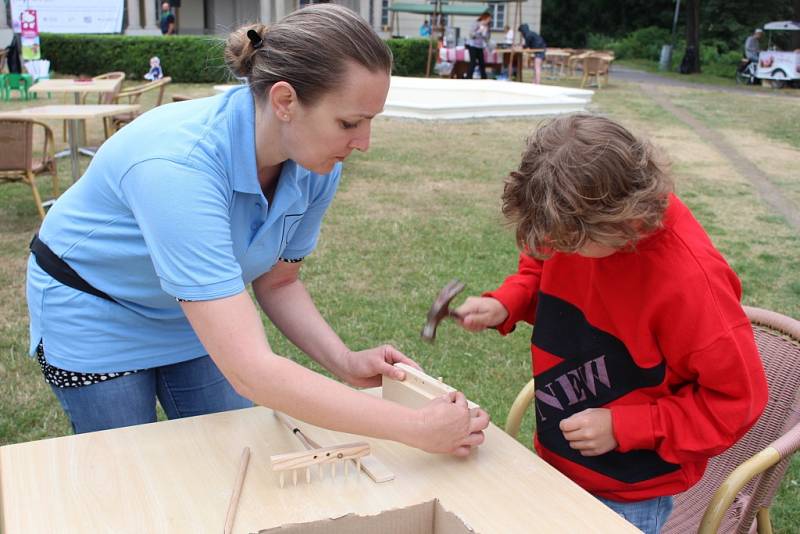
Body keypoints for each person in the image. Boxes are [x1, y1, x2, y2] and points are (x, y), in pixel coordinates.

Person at [26, 4, 489, 457]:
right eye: (350, 122)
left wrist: (345, 361)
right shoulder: (178, 167)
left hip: (194, 312)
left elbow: (279, 280)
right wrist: (414, 428)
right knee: (131, 474)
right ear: (285, 100)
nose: (364, 143)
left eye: (370, 121)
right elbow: (251, 370)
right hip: (95, 310)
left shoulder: (317, 164)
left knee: (232, 458)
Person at [453, 115, 768, 534]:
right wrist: (508, 303)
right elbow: (540, 268)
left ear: (621, 220)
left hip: (629, 493)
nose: (558, 248)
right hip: (557, 461)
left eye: (569, 242)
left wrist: (627, 427)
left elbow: (736, 402)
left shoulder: (690, 284)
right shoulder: (574, 222)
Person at [466, 12, 492, 79]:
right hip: (472, 45)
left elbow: (487, 38)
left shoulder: (487, 27)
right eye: (488, 19)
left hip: (480, 46)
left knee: (482, 63)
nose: (489, 21)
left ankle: (484, 78)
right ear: (484, 18)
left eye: (490, 20)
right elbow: (471, 34)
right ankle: (468, 77)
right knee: (473, 62)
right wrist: (479, 31)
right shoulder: (476, 23)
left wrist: (486, 33)